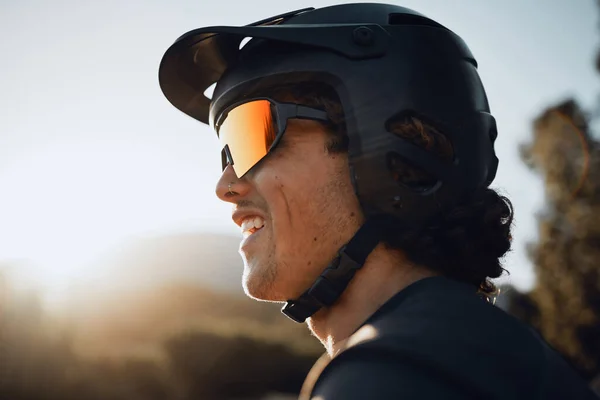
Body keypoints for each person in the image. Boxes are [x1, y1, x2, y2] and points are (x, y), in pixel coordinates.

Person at [158, 3, 599, 399]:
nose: (226, 185)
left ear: (388, 151)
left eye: (252, 134)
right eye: (227, 152)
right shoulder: (483, 356)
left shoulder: (397, 375)